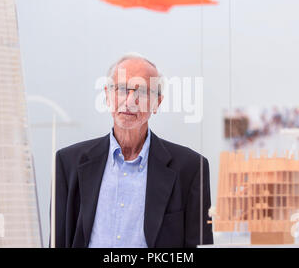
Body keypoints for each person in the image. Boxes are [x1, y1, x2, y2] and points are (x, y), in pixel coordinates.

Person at [51, 53, 213, 248]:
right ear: (107, 95)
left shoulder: (190, 168)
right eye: (121, 89)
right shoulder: (68, 163)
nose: (129, 101)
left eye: (142, 92)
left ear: (157, 103)